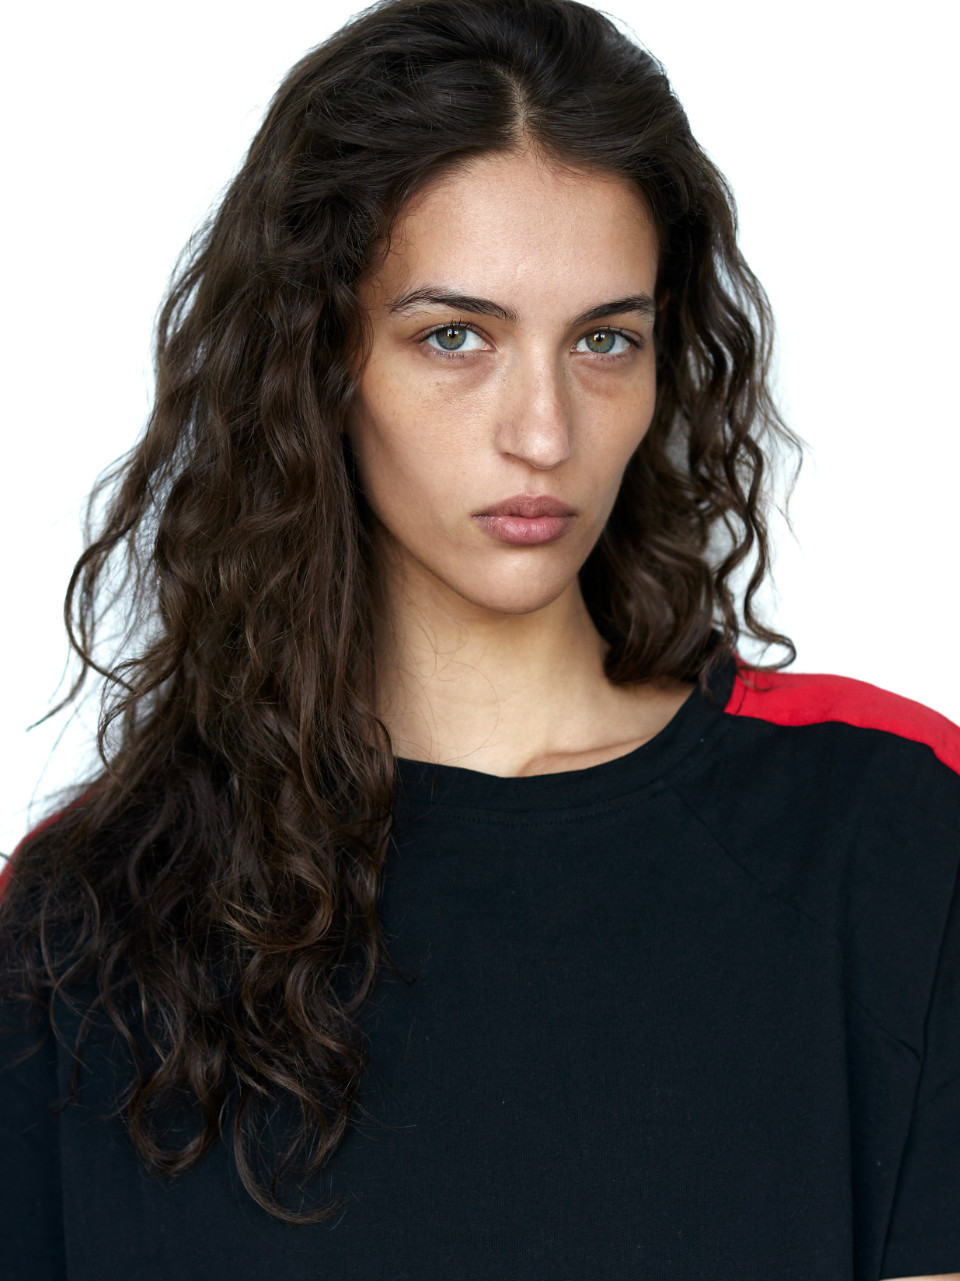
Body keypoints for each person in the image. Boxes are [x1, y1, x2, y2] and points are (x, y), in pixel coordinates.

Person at [1, 0, 957, 1278]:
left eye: (605, 340)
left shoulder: (889, 822)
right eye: (455, 336)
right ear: (318, 362)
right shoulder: (87, 916)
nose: (545, 432)